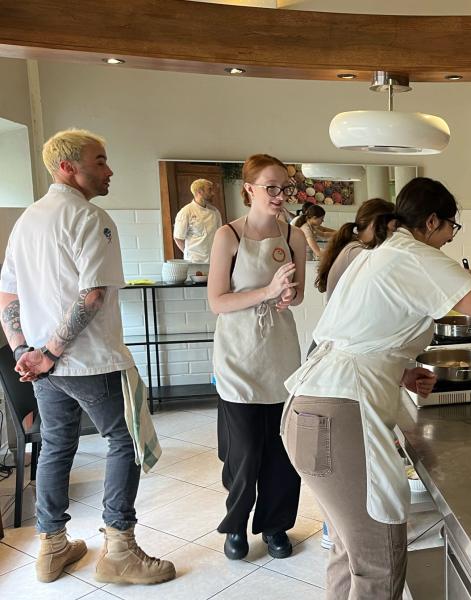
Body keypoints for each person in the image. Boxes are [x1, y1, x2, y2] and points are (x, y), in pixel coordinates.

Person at [280, 177, 471, 599]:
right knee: (379, 559)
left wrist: (401, 369)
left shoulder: (378, 254)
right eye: (452, 227)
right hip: (339, 416)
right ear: (432, 221)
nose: (450, 238)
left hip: (307, 408)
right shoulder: (413, 254)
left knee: (349, 552)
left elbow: (359, 336)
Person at [0, 129, 175, 584]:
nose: (110, 169)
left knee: (57, 445)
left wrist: (26, 351)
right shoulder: (90, 218)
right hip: (88, 361)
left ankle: (52, 547)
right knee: (124, 441)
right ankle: (120, 549)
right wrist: (51, 352)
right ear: (67, 168)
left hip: (43, 365)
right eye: (100, 161)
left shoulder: (26, 221)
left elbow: (7, 295)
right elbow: (93, 294)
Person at [207, 153, 305, 561]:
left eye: (285, 187)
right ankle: (236, 525)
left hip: (280, 356)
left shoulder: (293, 237)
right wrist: (266, 292)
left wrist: (287, 295)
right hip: (237, 358)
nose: (280, 195)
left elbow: (297, 297)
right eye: (271, 187)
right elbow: (217, 301)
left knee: (283, 451)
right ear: (248, 189)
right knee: (244, 451)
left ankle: (276, 525)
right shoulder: (228, 235)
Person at [311, 196, 395, 551]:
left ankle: (336, 531)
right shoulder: (362, 254)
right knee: (335, 462)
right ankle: (337, 531)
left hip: (326, 358)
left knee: (329, 465)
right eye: (394, 230)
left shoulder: (348, 248)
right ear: (381, 226)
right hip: (337, 367)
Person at [315, 197, 395, 300]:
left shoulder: (354, 246)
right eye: (392, 229)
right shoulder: (357, 252)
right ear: (374, 225)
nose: (393, 234)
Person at [173, 178, 222, 263]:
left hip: (213, 259)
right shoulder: (186, 211)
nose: (213, 193)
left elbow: (219, 235)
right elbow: (178, 238)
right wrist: (189, 254)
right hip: (194, 261)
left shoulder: (215, 212)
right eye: (209, 190)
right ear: (199, 192)